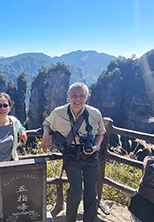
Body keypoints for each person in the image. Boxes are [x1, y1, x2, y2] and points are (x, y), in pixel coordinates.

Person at [41, 82, 106, 222]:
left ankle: (90, 219)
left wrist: (97, 145)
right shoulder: (58, 113)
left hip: (91, 155)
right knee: (75, 190)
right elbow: (47, 123)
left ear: (87, 96)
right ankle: (70, 219)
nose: (77, 99)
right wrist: (46, 135)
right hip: (71, 155)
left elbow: (101, 132)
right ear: (68, 96)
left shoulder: (95, 113)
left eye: (82, 95)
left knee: (91, 192)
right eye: (74, 95)